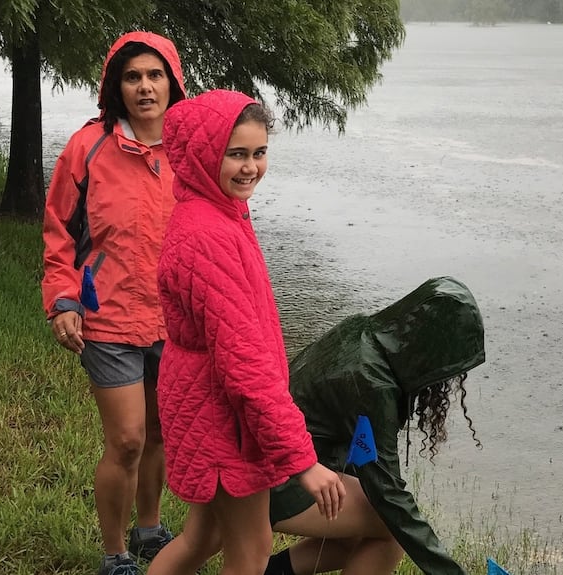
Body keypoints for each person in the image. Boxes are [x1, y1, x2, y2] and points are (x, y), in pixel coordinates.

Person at [147, 89, 346, 575]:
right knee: (252, 545)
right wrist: (303, 461)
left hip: (205, 401)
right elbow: (244, 365)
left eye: (260, 153)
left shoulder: (219, 211)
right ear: (203, 154)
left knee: (203, 536)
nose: (250, 167)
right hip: (218, 412)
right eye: (236, 154)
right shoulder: (208, 234)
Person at [41, 31, 186, 575]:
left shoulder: (193, 148)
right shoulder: (89, 146)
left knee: (160, 433)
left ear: (173, 82)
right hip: (108, 316)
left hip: (175, 321)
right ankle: (115, 553)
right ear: (115, 85)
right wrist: (63, 300)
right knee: (126, 440)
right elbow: (59, 231)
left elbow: (222, 224)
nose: (145, 87)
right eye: (133, 76)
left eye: (155, 75)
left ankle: (149, 529)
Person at [265, 276, 486, 575]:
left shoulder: (360, 333)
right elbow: (388, 495)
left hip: (272, 459)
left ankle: (270, 571)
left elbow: (362, 458)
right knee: (390, 528)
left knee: (360, 530)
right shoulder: (372, 382)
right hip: (280, 477)